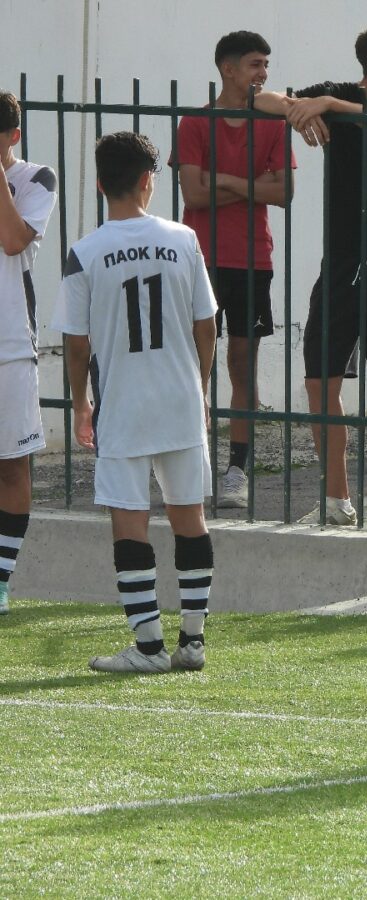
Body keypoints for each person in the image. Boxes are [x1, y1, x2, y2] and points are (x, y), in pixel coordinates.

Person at [254, 22, 367, 531]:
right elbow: (262, 100)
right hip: (343, 261)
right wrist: (301, 109)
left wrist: (329, 106)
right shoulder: (337, 93)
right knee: (318, 380)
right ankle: (336, 499)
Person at [53, 132, 219, 672]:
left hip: (123, 403)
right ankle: (192, 642)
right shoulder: (184, 239)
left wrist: (81, 403)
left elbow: (76, 344)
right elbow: (206, 326)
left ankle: (149, 648)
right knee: (189, 514)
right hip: (179, 397)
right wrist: (201, 389)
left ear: (101, 185)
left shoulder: (84, 253)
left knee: (129, 521)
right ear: (149, 180)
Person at [174, 30, 296, 509]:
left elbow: (283, 193)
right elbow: (193, 194)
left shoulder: (273, 124)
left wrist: (221, 179)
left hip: (252, 258)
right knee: (192, 363)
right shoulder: (195, 123)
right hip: (200, 258)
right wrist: (251, 183)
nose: (263, 73)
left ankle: (237, 471)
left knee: (242, 363)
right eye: (254, 64)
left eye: (266, 64)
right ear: (228, 69)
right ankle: (192, 462)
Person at [0, 91, 58, 616]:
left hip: (10, 341)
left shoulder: (37, 178)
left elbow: (13, 240)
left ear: (13, 136)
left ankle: (0, 579)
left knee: (11, 467)